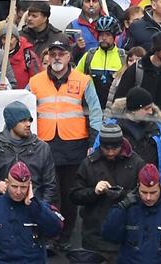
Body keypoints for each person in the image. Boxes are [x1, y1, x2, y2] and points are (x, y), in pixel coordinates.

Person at [28, 38, 102, 252]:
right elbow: (23, 107)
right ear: (48, 57)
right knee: (49, 193)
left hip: (74, 145)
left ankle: (65, 235)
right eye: (53, 53)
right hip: (45, 144)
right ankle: (51, 235)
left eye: (61, 53)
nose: (57, 57)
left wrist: (93, 141)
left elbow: (95, 113)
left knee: (70, 194)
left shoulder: (84, 80)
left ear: (70, 56)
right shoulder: (35, 82)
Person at [0, 161, 63, 264]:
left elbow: (55, 230)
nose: (18, 192)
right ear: (7, 183)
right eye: (14, 186)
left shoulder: (39, 208)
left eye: (23, 187)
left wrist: (34, 206)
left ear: (29, 186)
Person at [70, 122, 145, 259]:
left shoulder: (136, 163)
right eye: (106, 148)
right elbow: (74, 195)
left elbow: (146, 194)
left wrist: (123, 195)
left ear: (121, 144)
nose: (110, 153)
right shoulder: (89, 163)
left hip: (125, 237)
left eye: (114, 148)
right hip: (94, 238)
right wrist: (94, 192)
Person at [101, 164, 161, 264]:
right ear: (138, 187)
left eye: (153, 192)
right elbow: (109, 236)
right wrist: (121, 208)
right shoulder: (127, 208)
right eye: (144, 192)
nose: (148, 197)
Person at [0, 101, 58, 207]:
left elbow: (51, 186)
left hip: (33, 210)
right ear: (11, 123)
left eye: (29, 120)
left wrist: (42, 209)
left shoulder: (42, 148)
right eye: (23, 120)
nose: (28, 124)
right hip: (3, 211)